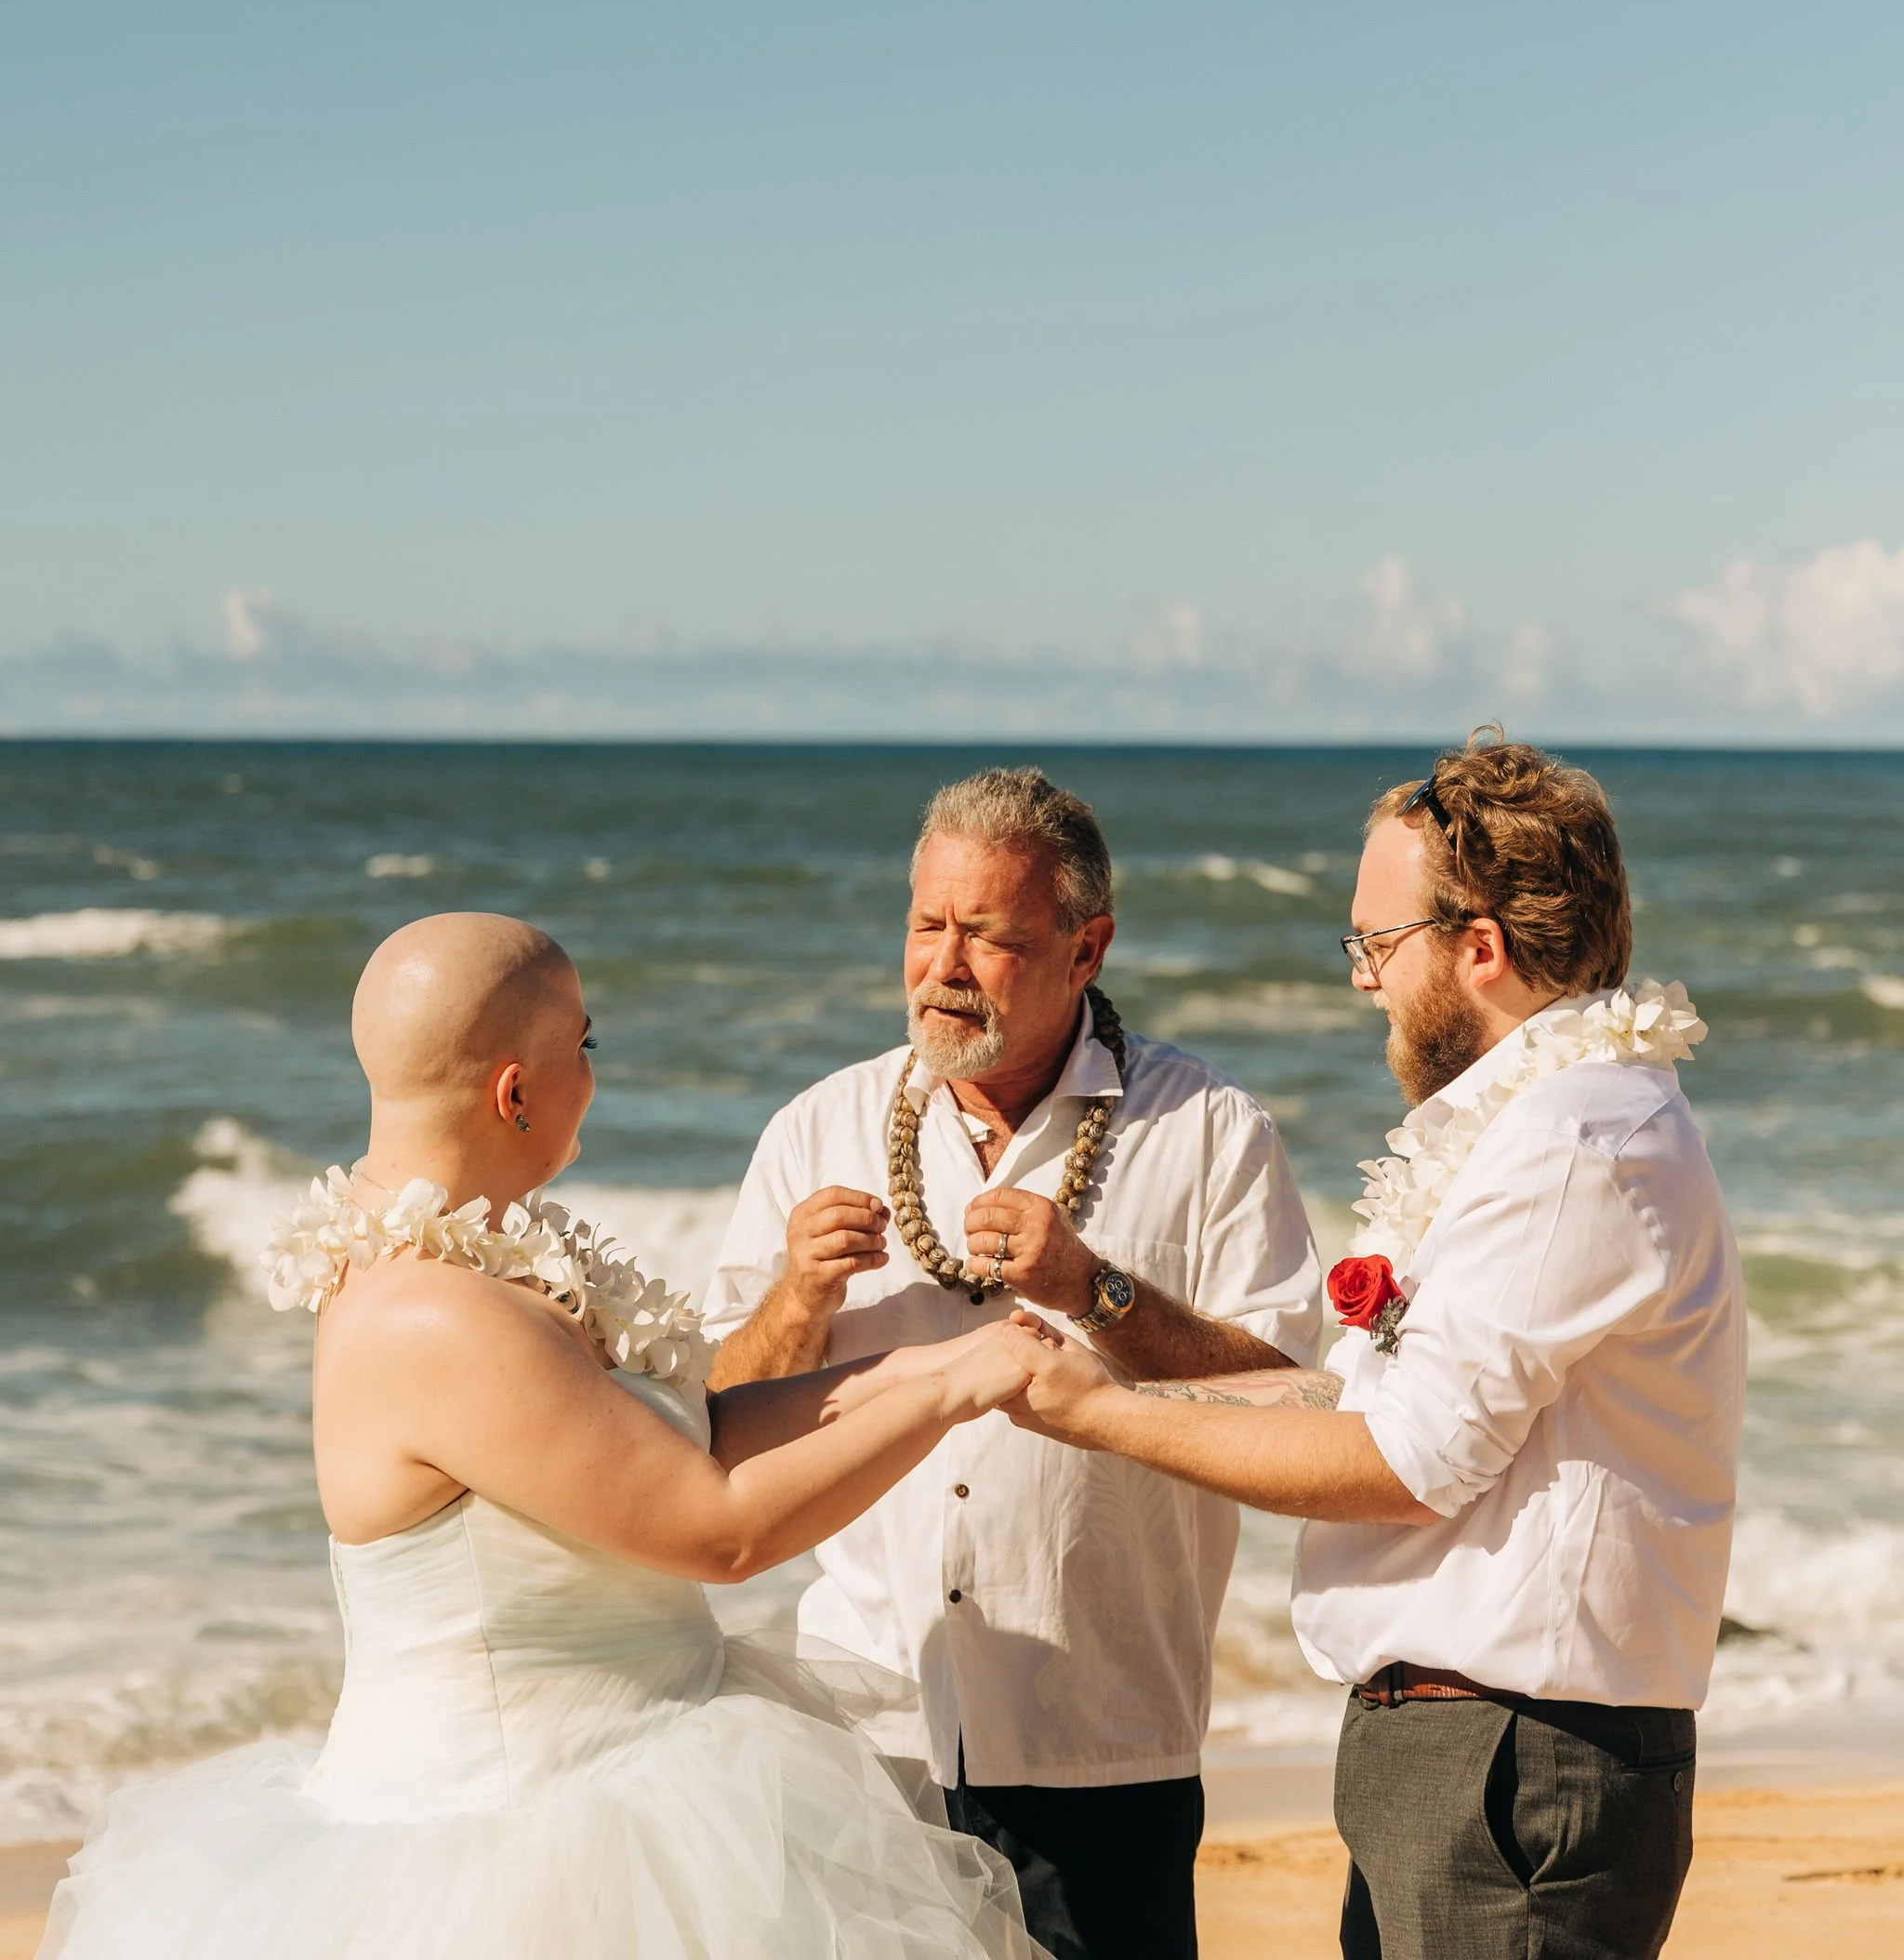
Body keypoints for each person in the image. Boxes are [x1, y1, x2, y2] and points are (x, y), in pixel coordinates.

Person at [42, 911, 1056, 1960]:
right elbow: (717, 1531)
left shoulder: (492, 1266)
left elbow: (694, 1435)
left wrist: (930, 1361)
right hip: (522, 1844)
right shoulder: (430, 1314)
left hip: (644, 1760)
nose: (593, 1073)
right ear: (512, 1091)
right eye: (585, 1045)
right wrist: (951, 1398)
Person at [1001, 735, 1746, 1960]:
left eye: (1376, 943)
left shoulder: (1576, 1141)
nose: (1363, 981)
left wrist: (1090, 1414)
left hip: (1515, 1766)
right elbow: (1340, 1411)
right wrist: (1100, 1297)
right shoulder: (1540, 1129)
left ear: (1481, 947)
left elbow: (1405, 1466)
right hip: (1474, 1761)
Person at [703, 766, 1322, 1960]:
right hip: (868, 1722)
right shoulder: (815, 1126)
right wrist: (798, 1296)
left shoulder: (1206, 1129)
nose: (941, 965)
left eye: (987, 935)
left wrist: (1096, 1292)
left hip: (1102, 1730)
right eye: (926, 924)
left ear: (1085, 949)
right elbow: (718, 1416)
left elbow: (1289, 1399)